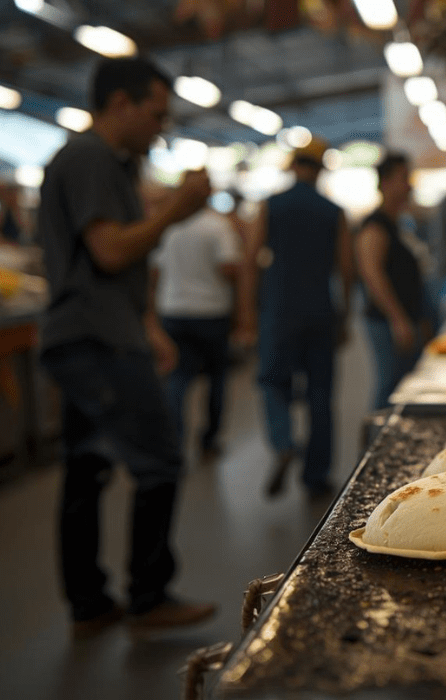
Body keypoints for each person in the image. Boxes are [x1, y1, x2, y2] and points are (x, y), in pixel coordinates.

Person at [37, 57, 216, 638]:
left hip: (92, 333)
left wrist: (151, 326)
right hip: (95, 338)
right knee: (159, 458)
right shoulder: (90, 157)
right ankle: (148, 596)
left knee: (86, 468)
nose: (160, 128)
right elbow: (111, 251)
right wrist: (175, 211)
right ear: (121, 104)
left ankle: (89, 603)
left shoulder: (107, 163)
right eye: (155, 114)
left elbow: (118, 266)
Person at [241, 136, 354, 499]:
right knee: (321, 394)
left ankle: (284, 441)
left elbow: (250, 260)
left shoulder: (271, 206)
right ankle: (315, 477)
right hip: (321, 311)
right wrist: (346, 316)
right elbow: (346, 268)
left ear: (293, 166)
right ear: (320, 169)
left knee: (273, 381)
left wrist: (245, 313)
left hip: (280, 310)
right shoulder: (333, 211)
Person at [147, 186, 249, 462]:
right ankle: (209, 440)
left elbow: (155, 271)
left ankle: (176, 443)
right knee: (216, 379)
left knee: (178, 379)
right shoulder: (217, 226)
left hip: (174, 311)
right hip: (211, 312)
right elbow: (229, 268)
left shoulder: (168, 227)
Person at [356, 153, 429, 410]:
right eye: (403, 178)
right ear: (385, 183)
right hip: (387, 322)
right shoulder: (375, 227)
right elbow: (371, 275)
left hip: (403, 317)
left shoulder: (398, 223)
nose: (409, 185)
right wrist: (398, 319)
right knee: (389, 385)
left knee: (400, 383)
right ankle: (375, 440)